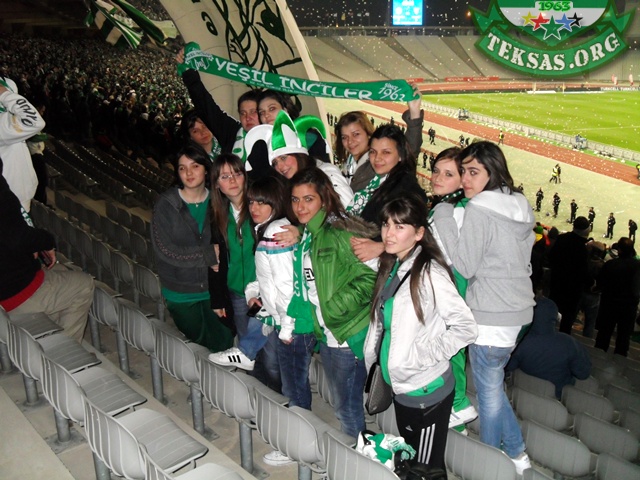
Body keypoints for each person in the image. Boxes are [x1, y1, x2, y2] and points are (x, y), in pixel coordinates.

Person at [431, 141, 535, 475]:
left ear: (493, 171)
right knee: (493, 387)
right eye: (463, 171)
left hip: (492, 311)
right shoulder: (519, 204)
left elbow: (464, 265)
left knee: (489, 394)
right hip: (519, 311)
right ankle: (517, 454)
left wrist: (444, 216)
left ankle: (490, 463)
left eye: (473, 172)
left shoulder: (479, 208)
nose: (465, 179)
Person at [365, 195, 477, 470]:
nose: (389, 233)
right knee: (411, 457)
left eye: (399, 226)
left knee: (426, 468)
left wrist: (421, 357)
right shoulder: (394, 264)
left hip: (426, 389)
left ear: (418, 233)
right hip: (402, 385)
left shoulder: (430, 272)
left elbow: (466, 328)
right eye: (386, 224)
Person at [290, 166, 377, 438]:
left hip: (346, 336)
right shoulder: (310, 234)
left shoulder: (338, 233)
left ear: (324, 199)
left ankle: (356, 457)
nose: (300, 207)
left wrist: (335, 308)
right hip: (329, 333)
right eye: (295, 199)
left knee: (347, 409)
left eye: (308, 199)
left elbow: (370, 278)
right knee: (343, 404)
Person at [151, 143, 234, 352]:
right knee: (198, 346)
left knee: (224, 342)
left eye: (195, 166)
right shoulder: (166, 205)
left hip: (216, 289)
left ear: (206, 169)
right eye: (182, 168)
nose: (188, 173)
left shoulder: (220, 201)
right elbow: (164, 250)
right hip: (181, 292)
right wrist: (207, 256)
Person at [0, 161, 93, 342]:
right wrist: (46, 241)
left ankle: (47, 339)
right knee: (84, 284)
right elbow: (18, 238)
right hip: (12, 293)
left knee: (60, 273)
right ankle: (66, 351)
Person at [208, 154, 278, 388]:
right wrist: (218, 298)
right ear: (216, 184)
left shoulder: (261, 205)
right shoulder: (217, 214)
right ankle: (259, 397)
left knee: (271, 357)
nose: (232, 180)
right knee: (250, 357)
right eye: (224, 176)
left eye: (237, 173)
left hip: (265, 294)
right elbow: (214, 259)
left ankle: (278, 400)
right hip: (237, 293)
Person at [427, 146, 478, 431]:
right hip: (444, 283)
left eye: (448, 174)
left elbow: (455, 259)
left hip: (450, 284)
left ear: (463, 180)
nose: (437, 178)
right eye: (436, 171)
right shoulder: (449, 206)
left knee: (450, 351)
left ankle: (458, 406)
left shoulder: (456, 210)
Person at [177, 49, 270, 179]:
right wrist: (189, 71)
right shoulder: (232, 132)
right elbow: (206, 106)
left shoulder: (275, 139)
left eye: (253, 112)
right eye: (243, 113)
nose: (247, 118)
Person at [348, 124, 428, 264]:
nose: (377, 158)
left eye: (386, 152)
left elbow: (419, 232)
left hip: (378, 264)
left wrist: (381, 247)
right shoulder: (371, 176)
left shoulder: (406, 187)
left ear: (401, 155)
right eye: (373, 152)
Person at [245, 110, 353, 208]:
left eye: (283, 158)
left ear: (298, 155)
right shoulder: (286, 185)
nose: (280, 167)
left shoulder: (327, 172)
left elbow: (349, 208)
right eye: (275, 163)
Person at [335, 84, 423, 192]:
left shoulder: (376, 164)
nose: (350, 141)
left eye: (356, 134)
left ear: (368, 133)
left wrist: (415, 113)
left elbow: (410, 148)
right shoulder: (349, 162)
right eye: (344, 137)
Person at [507, 295, 591, 399]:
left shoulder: (520, 341)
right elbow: (583, 373)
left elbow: (509, 368)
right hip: (556, 401)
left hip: (522, 399)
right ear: (554, 317)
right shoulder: (569, 343)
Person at [0, 78, 46, 212]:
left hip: (13, 193)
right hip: (13, 196)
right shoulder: (3, 123)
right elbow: (34, 121)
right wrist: (5, 94)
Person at [594, 238, 640, 357]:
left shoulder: (611, 264)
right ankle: (620, 359)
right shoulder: (637, 266)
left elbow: (600, 283)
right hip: (628, 307)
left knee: (604, 334)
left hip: (609, 304)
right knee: (623, 337)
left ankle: (598, 357)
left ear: (619, 250)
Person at [548, 216, 592, 335]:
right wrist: (591, 283)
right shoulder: (583, 248)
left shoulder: (562, 239)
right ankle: (563, 339)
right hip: (573, 289)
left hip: (557, 282)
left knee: (552, 311)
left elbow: (551, 257)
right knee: (567, 319)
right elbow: (583, 271)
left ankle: (546, 334)